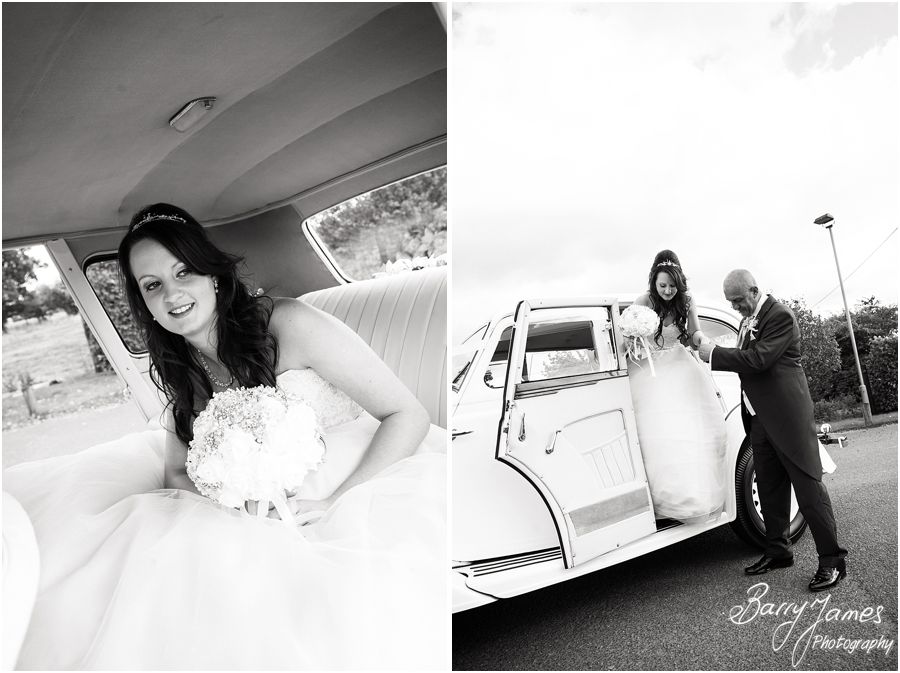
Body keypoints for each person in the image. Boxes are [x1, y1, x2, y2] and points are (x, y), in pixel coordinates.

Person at [3, 203, 447, 669]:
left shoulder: (289, 324)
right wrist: (228, 499)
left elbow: (406, 414)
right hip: (245, 504)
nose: (172, 294)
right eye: (153, 286)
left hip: (354, 481)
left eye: (184, 272)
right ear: (145, 304)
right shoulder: (180, 366)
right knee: (150, 572)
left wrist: (333, 500)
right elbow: (177, 468)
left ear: (213, 275)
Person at [699, 269, 847, 592]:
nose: (735, 307)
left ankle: (833, 561)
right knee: (769, 488)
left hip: (788, 417)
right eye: (731, 302)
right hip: (758, 419)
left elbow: (759, 359)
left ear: (753, 291)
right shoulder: (746, 320)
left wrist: (714, 353)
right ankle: (778, 551)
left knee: (808, 488)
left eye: (738, 300)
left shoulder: (780, 316)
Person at [623, 250, 727, 524]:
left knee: (689, 432)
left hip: (680, 366)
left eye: (672, 285)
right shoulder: (644, 301)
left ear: (680, 283)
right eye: (663, 285)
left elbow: (694, 333)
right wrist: (635, 336)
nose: (668, 291)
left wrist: (701, 340)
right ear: (654, 283)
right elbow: (629, 341)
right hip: (651, 371)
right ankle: (661, 501)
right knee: (659, 435)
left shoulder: (688, 301)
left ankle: (693, 499)